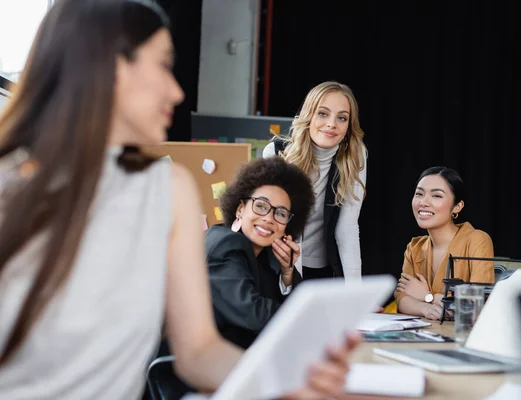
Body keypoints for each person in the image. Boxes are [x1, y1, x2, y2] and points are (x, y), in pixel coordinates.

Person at [0, 1, 360, 399]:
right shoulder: (9, 184)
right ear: (106, 68)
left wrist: (293, 383)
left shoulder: (169, 189)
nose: (176, 90)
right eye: (162, 66)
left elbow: (200, 352)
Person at [263, 81, 367, 283]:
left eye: (342, 118)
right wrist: (293, 278)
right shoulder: (276, 153)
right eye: (323, 113)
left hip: (326, 268)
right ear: (308, 115)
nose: (332, 124)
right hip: (281, 265)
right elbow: (277, 223)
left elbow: (347, 226)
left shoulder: (356, 154)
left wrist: (355, 292)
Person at [206, 156, 314, 349]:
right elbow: (254, 313)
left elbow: (296, 303)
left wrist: (287, 274)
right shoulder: (224, 244)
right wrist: (316, 319)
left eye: (280, 213)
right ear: (240, 209)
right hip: (193, 370)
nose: (268, 218)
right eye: (261, 206)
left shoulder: (265, 255)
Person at [389, 166, 494, 319]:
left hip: (458, 336)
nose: (423, 202)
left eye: (436, 196)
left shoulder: (477, 240)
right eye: (419, 194)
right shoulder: (414, 247)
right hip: (426, 335)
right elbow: (402, 299)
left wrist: (427, 296)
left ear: (457, 206)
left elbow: (473, 305)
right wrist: (426, 308)